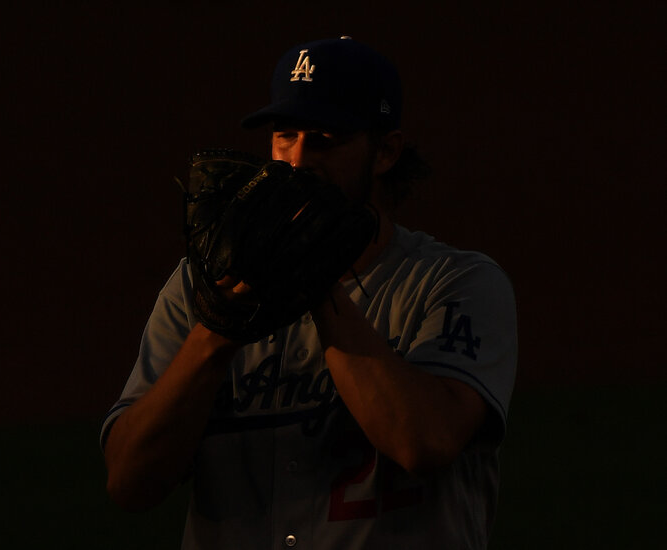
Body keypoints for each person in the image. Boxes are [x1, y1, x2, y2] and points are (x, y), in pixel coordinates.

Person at [101, 36, 518, 550]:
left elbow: (425, 442)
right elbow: (128, 482)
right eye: (285, 136)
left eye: (322, 139)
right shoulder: (200, 285)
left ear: (385, 150)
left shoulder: (455, 282)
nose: (296, 162)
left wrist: (313, 281)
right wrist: (216, 333)